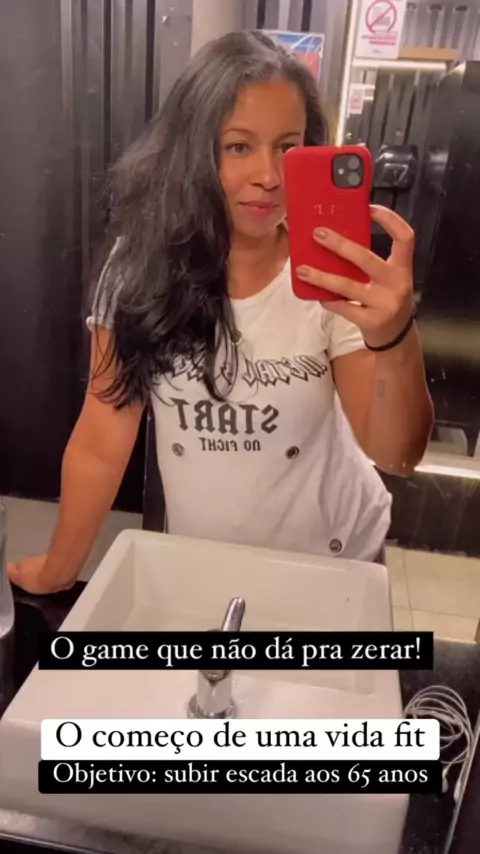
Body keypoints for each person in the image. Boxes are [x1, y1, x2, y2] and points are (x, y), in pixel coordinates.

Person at [8, 30, 433, 595]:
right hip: (204, 565)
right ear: (192, 152)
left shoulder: (327, 272)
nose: (269, 175)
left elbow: (396, 453)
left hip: (335, 567)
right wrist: (59, 569)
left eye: (287, 147)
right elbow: (101, 439)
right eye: (238, 147)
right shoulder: (138, 271)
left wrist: (395, 339)